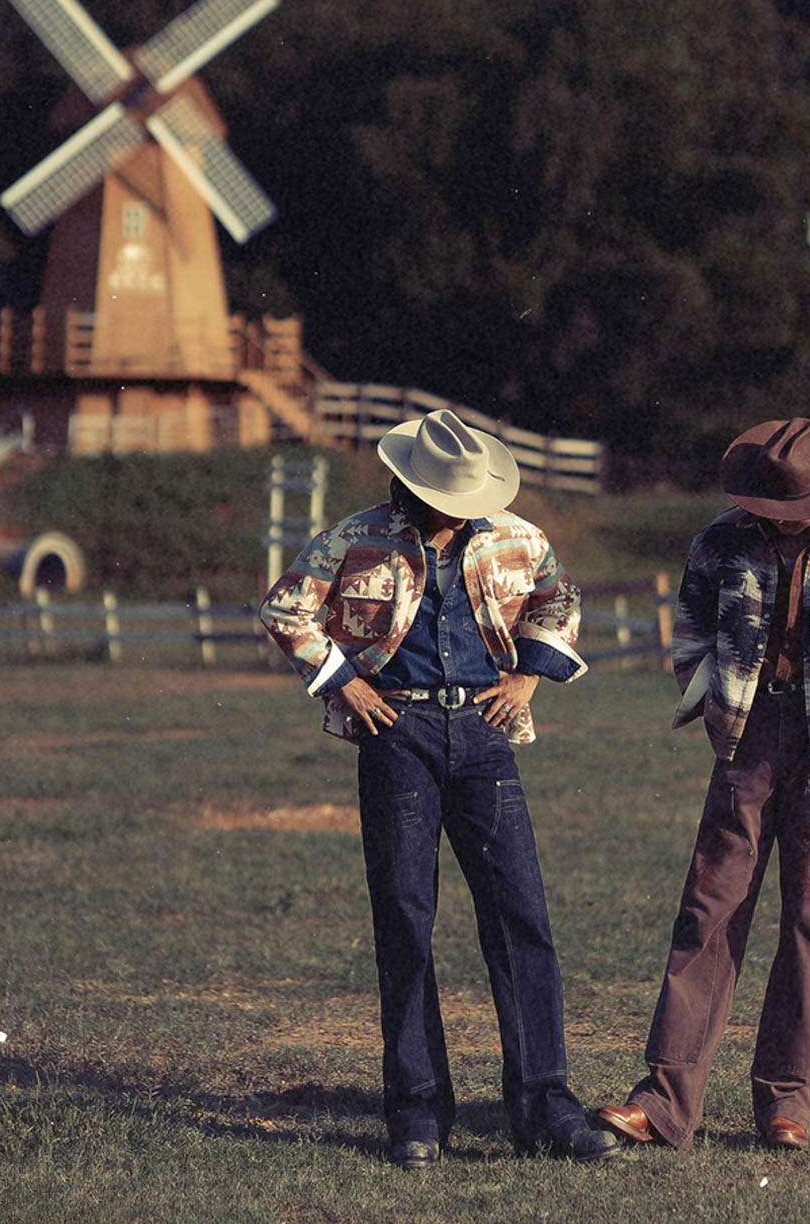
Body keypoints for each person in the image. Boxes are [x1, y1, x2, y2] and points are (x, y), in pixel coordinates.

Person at [260, 408, 618, 1169]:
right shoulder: (354, 538)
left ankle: (545, 1108)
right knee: (404, 915)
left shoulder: (518, 538)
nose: (455, 512)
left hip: (486, 735)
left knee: (521, 915)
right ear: (411, 488)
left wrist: (527, 677)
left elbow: (560, 600)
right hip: (398, 734)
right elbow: (286, 607)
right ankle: (418, 1113)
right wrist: (343, 682)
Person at [596, 417, 810, 1155]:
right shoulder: (719, 542)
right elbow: (690, 622)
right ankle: (664, 1101)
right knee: (708, 909)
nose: (781, 519)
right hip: (745, 743)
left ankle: (791, 1103)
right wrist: (708, 698)